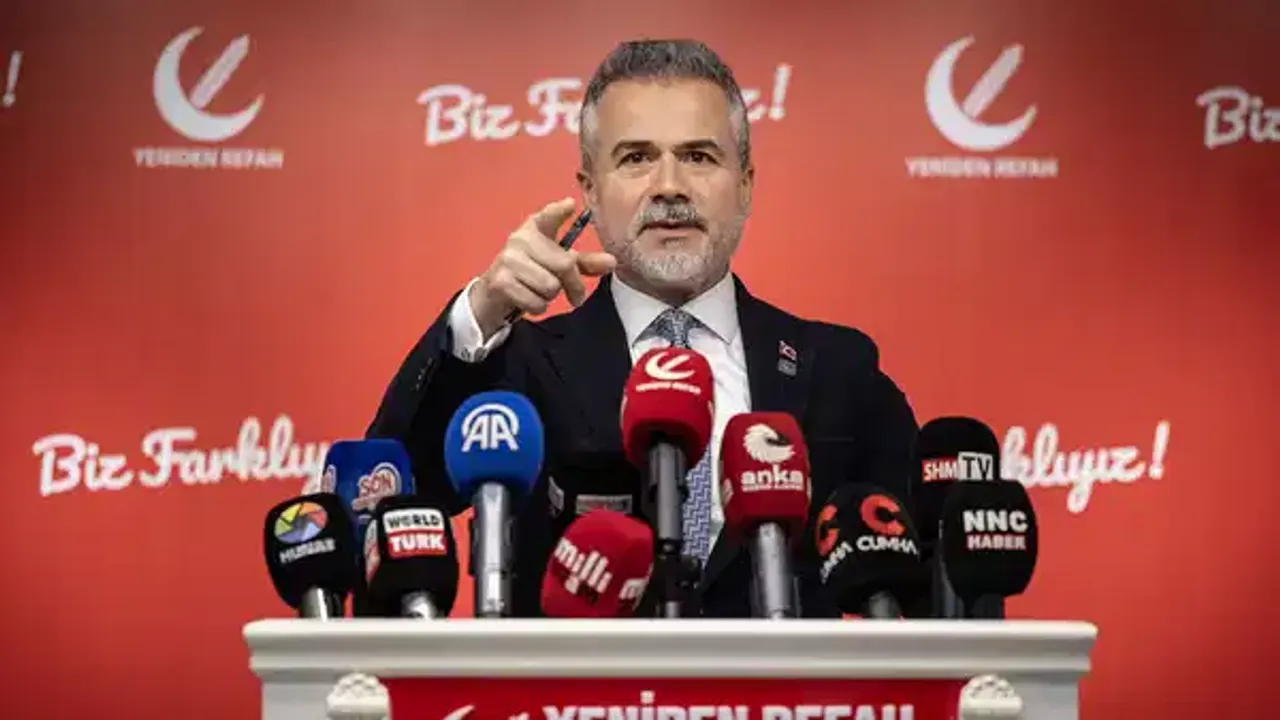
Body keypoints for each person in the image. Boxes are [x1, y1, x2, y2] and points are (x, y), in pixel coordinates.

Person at [368, 39, 919, 617]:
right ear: (589, 190)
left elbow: (931, 567)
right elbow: (392, 493)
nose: (669, 186)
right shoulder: (521, 364)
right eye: (636, 158)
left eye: (699, 156)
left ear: (746, 184)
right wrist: (482, 309)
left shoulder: (837, 369)